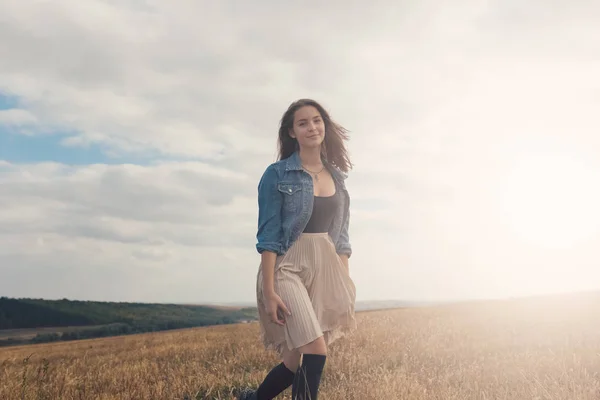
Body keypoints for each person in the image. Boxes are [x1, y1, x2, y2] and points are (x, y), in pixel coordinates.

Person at [238, 99, 357, 400]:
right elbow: (268, 236)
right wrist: (269, 290)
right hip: (287, 266)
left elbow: (341, 237)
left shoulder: (338, 179)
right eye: (302, 123)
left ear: (324, 125)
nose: (312, 127)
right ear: (292, 132)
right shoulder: (277, 174)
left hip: (324, 269)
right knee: (316, 349)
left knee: (294, 359)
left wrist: (345, 282)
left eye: (316, 120)